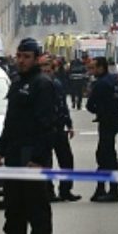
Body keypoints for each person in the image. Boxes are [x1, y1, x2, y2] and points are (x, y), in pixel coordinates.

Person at [0, 38, 57, 234]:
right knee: (14, 208)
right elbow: (11, 121)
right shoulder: (17, 83)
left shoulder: (42, 84)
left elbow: (47, 124)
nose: (21, 60)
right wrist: (0, 149)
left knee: (36, 208)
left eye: (26, 56)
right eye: (19, 56)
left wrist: (38, 158)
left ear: (37, 58)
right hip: (14, 154)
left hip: (32, 155)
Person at [86, 57, 118, 202]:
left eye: (93, 68)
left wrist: (100, 109)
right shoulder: (117, 80)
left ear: (101, 68)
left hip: (106, 121)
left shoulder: (100, 84)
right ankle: (101, 188)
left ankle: (111, 189)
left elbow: (89, 106)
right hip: (116, 120)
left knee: (105, 155)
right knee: (106, 153)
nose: (90, 71)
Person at [40, 53, 81, 202]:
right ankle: (48, 191)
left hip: (58, 127)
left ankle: (65, 190)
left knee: (66, 160)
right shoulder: (37, 85)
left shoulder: (57, 84)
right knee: (46, 162)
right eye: (43, 69)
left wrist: (69, 124)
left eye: (48, 69)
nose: (46, 72)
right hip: (44, 129)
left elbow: (63, 106)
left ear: (54, 69)